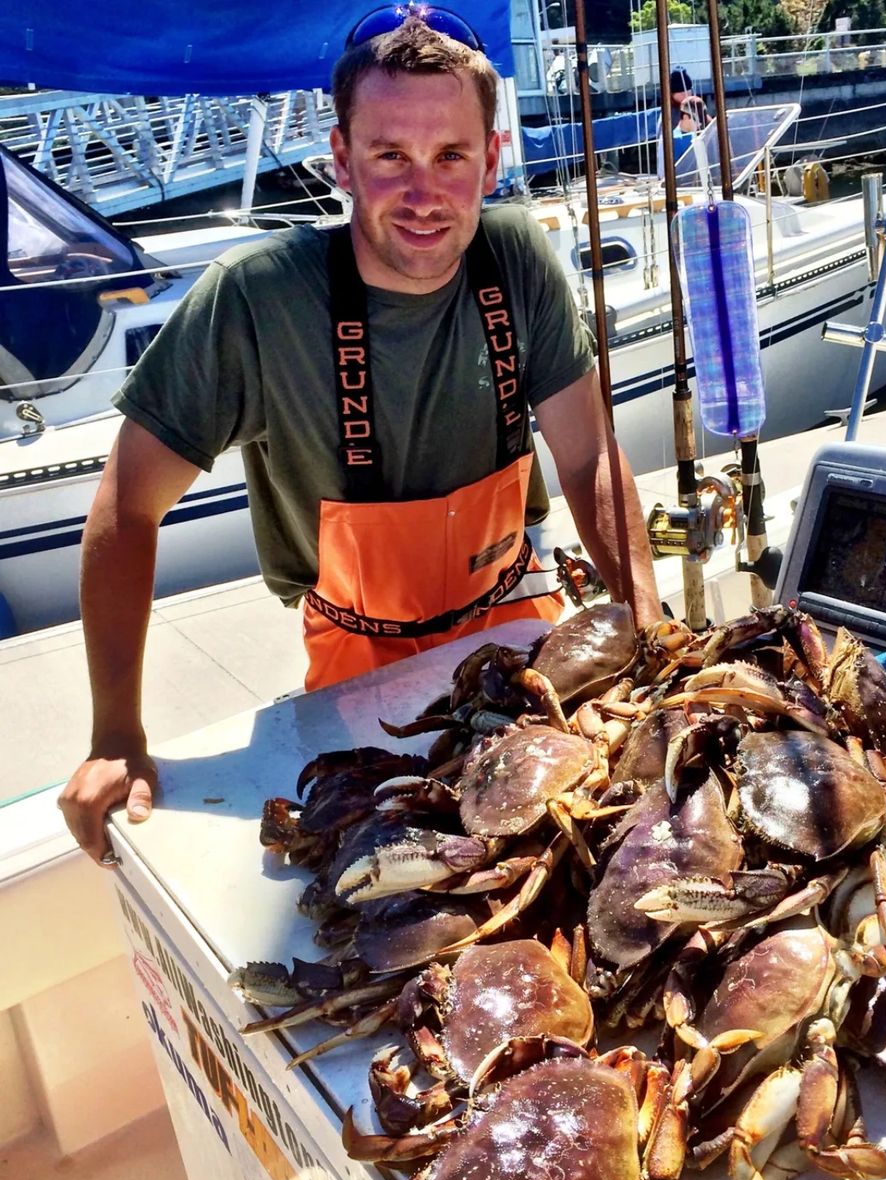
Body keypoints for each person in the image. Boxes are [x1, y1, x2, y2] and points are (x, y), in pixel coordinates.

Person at [58, 4, 662, 865]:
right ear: (341, 157)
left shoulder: (517, 256)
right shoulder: (256, 296)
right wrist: (117, 732)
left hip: (518, 626)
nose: (424, 193)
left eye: (451, 155)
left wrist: (641, 618)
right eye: (389, 157)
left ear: (491, 159)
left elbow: (588, 453)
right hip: (359, 668)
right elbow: (125, 509)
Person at [656, 67, 710, 180]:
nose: (685, 94)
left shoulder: (695, 105)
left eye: (688, 90)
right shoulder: (668, 117)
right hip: (678, 171)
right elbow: (663, 149)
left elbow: (708, 124)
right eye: (681, 92)